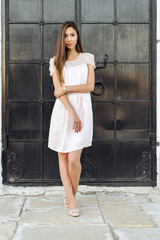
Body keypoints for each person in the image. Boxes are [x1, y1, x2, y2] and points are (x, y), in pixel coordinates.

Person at [48, 21, 96, 217]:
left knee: (74, 160)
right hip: (64, 111)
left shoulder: (87, 58)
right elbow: (58, 93)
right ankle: (72, 200)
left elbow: (90, 86)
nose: (69, 39)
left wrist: (67, 88)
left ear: (77, 37)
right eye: (66, 36)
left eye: (72, 35)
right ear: (62, 38)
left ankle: (71, 195)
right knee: (62, 155)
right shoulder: (56, 61)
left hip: (83, 111)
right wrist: (72, 112)